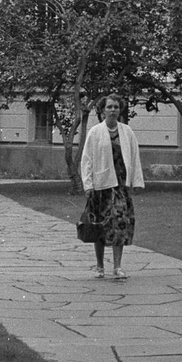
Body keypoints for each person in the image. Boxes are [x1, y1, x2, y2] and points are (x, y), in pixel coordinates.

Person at [79, 93, 144, 280]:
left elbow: (134, 157)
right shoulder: (95, 132)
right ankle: (100, 266)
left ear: (120, 109)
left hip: (121, 187)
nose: (113, 110)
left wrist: (136, 181)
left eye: (116, 107)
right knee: (100, 226)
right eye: (109, 107)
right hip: (101, 186)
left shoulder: (127, 132)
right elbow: (87, 160)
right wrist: (88, 185)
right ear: (102, 110)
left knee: (120, 225)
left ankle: (117, 267)